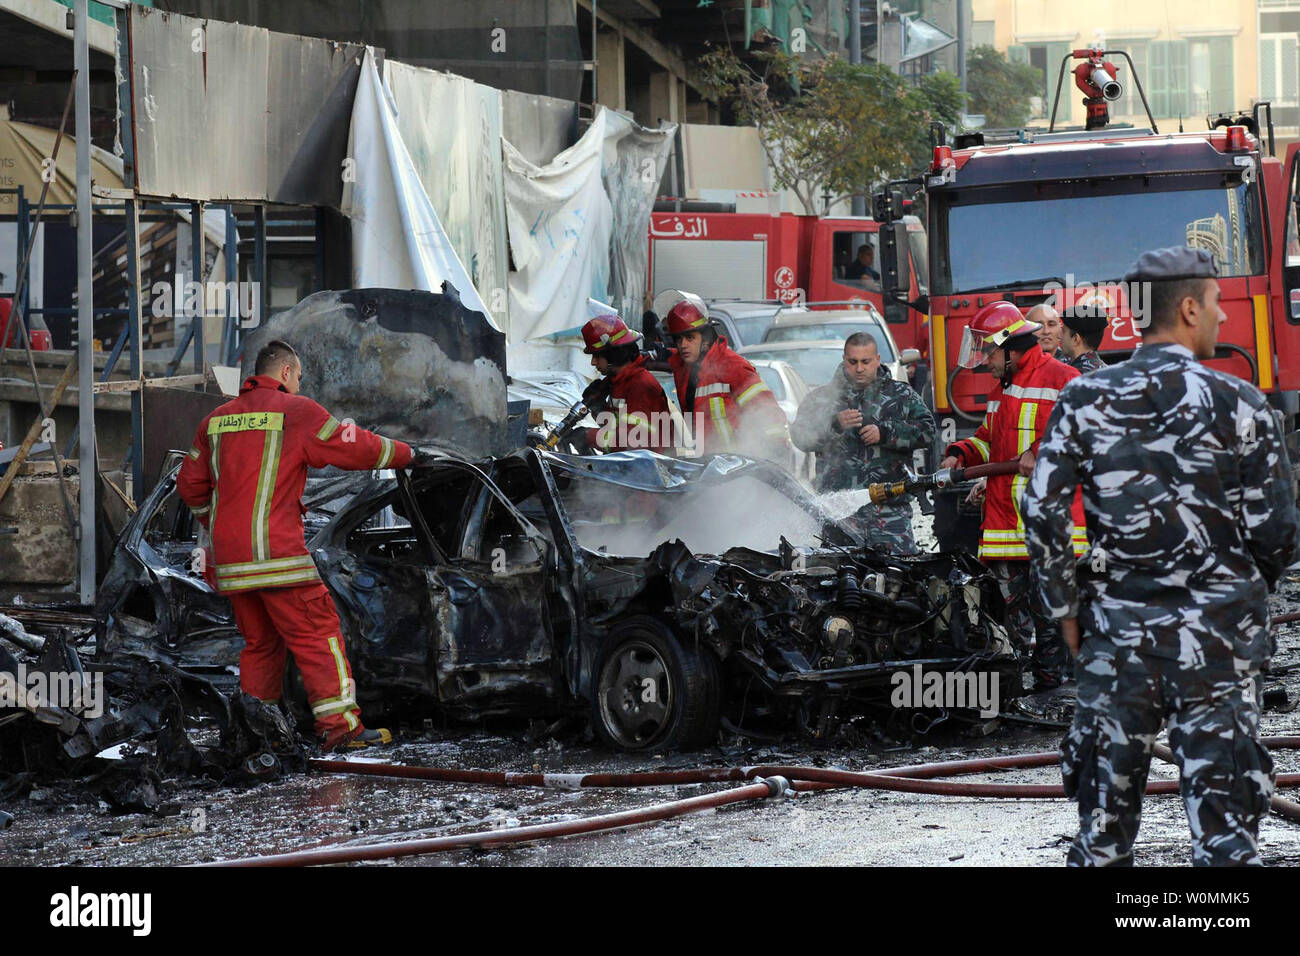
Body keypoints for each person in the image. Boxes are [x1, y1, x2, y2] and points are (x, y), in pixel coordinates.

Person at [1023, 246, 1299, 866]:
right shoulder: (1242, 403)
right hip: (1218, 648)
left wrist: (1066, 608)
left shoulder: (1083, 400)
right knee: (1227, 841)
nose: (1224, 321)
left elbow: (1040, 510)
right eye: (1219, 306)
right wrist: (1235, 594)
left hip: (1116, 641)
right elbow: (1279, 531)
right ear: (1189, 307)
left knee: (1101, 840)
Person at [177, 340, 415, 752]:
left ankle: (259, 732)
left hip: (232, 563)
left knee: (260, 645)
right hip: (278, 557)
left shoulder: (216, 420)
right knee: (318, 634)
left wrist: (218, 524)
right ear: (286, 372)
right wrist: (409, 454)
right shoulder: (296, 411)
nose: (300, 384)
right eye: (299, 376)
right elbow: (353, 445)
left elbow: (190, 486)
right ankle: (341, 730)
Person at [939, 301, 1086, 689]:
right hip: (1008, 529)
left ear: (1011, 347)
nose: (985, 360)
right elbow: (991, 442)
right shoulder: (1002, 389)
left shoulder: (1064, 379)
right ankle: (1019, 689)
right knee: (1010, 618)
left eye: (989, 351)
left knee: (1052, 619)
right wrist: (960, 454)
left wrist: (1041, 451)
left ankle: (1055, 698)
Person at [790, 333, 934, 552]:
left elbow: (928, 431)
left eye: (865, 362)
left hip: (889, 513)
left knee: (899, 578)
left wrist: (886, 433)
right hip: (839, 514)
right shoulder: (821, 399)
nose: (859, 368)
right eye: (853, 362)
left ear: (877, 360)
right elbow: (800, 437)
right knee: (839, 582)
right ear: (844, 359)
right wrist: (834, 425)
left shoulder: (901, 395)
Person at [663, 298, 792, 463]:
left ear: (706, 339)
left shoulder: (733, 366)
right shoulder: (687, 369)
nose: (683, 345)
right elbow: (670, 357)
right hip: (707, 466)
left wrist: (777, 451)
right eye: (678, 339)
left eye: (689, 338)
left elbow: (767, 412)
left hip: (740, 466)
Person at [578, 314, 671, 452]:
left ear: (612, 353)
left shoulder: (640, 385)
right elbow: (617, 428)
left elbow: (633, 441)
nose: (593, 362)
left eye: (597, 355)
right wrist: (599, 408)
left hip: (646, 469)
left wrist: (588, 436)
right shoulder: (618, 382)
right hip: (627, 466)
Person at [1059, 302, 1108, 374]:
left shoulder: (1073, 375)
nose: (1059, 336)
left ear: (1075, 339)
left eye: (1063, 331)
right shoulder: (1106, 370)